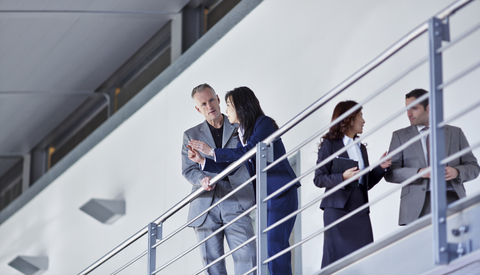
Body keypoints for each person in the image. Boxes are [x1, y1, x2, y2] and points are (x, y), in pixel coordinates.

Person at [188, 86, 300, 275]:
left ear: (241, 107)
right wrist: (203, 161)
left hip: (280, 191)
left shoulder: (263, 124)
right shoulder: (243, 134)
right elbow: (233, 165)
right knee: (268, 247)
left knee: (274, 245)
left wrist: (212, 152)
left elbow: (251, 151)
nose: (226, 110)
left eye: (229, 105)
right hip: (266, 197)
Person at [181, 84, 256, 275]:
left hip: (236, 197)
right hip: (206, 205)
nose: (210, 106)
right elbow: (188, 169)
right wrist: (202, 179)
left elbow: (244, 157)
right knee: (212, 266)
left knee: (247, 256)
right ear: (198, 109)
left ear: (218, 99)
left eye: (212, 100)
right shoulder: (190, 135)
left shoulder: (238, 126)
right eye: (204, 104)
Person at [385, 88, 479, 226]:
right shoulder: (400, 136)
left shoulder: (454, 133)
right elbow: (391, 173)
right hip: (416, 207)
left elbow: (474, 167)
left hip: (453, 201)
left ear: (428, 108)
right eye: (407, 109)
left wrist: (457, 172)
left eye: (414, 108)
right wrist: (419, 173)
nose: (408, 114)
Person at [313, 100, 390, 268]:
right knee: (337, 262)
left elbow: (365, 183)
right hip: (337, 211)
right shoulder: (330, 145)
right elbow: (319, 178)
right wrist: (342, 177)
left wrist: (381, 166)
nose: (363, 120)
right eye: (360, 116)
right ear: (349, 119)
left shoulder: (360, 147)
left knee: (365, 259)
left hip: (360, 210)